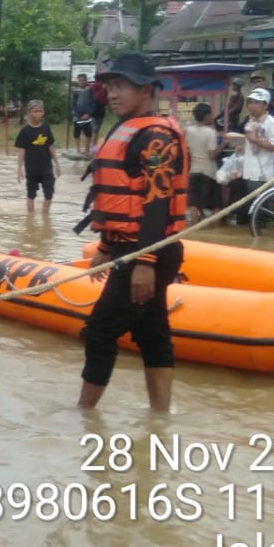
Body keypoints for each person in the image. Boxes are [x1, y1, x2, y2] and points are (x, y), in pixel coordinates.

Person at [75, 53, 188, 413]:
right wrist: (107, 246)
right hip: (130, 249)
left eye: (120, 86)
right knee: (152, 333)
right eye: (109, 86)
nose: (112, 93)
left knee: (99, 331)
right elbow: (124, 200)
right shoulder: (128, 127)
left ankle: (84, 414)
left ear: (144, 90)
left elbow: (157, 202)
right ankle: (161, 415)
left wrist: (145, 262)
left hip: (148, 252)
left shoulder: (156, 137)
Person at [224, 87, 274, 222]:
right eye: (250, 102)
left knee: (258, 215)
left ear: (265, 105)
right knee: (243, 213)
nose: (252, 106)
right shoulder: (249, 121)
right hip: (246, 171)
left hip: (261, 174)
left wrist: (255, 140)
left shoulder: (271, 123)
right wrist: (240, 145)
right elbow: (248, 141)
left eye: (257, 103)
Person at [13, 99, 61, 212]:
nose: (38, 113)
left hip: (46, 168)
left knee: (49, 193)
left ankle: (45, 216)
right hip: (31, 169)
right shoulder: (25, 131)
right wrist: (19, 168)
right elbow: (21, 151)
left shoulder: (46, 128)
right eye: (35, 111)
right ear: (29, 113)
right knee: (31, 195)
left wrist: (57, 164)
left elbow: (50, 146)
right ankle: (30, 219)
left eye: (41, 111)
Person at [184, 102, 221, 221]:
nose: (212, 117)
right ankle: (216, 233)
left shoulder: (188, 130)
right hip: (208, 173)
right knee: (216, 205)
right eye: (211, 115)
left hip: (194, 171)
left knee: (194, 205)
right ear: (206, 116)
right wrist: (225, 143)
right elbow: (212, 155)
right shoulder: (210, 132)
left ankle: (194, 233)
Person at [69, 75, 96, 156]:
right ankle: (78, 150)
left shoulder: (90, 91)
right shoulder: (75, 92)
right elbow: (73, 104)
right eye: (80, 80)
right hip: (77, 117)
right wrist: (78, 115)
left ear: (86, 81)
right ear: (77, 81)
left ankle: (87, 150)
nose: (81, 82)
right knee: (76, 134)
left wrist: (89, 114)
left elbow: (93, 103)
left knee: (88, 134)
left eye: (83, 80)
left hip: (88, 117)